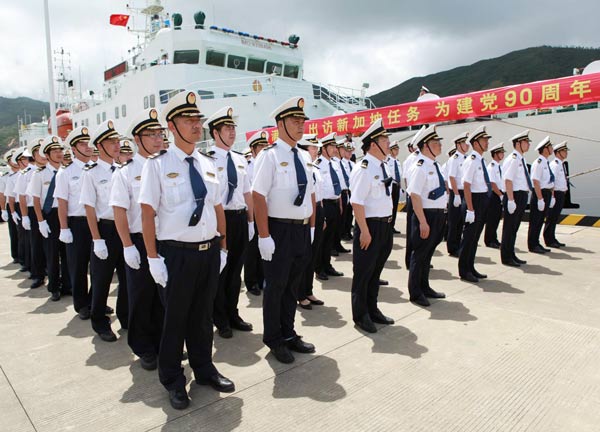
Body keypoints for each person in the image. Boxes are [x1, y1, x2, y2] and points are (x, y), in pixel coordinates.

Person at [139, 91, 234, 410]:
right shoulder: (157, 165)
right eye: (188, 120)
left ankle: (204, 369)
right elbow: (147, 213)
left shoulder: (208, 163)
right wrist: (153, 258)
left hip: (207, 253)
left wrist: (222, 246)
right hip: (175, 254)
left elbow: (218, 206)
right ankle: (173, 379)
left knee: (202, 317)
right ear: (171, 126)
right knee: (175, 320)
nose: (196, 125)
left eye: (198, 120)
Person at [252, 96, 317, 364]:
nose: (300, 125)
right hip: (278, 230)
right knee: (276, 287)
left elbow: (311, 192)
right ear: (280, 124)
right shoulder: (269, 156)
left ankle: (289, 333)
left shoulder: (303, 155)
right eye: (294, 120)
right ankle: (274, 338)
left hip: (301, 230)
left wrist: (311, 226)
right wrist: (264, 235)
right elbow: (258, 196)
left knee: (292, 286)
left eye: (302, 121)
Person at [110, 108, 166, 370]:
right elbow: (119, 211)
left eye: (160, 133)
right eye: (150, 134)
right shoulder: (125, 173)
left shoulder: (167, 166)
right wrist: (127, 246)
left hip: (166, 240)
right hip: (139, 241)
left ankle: (163, 342)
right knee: (141, 296)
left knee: (164, 297)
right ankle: (144, 347)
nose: (157, 139)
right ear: (136, 138)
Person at [203, 106, 255, 339]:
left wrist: (251, 221)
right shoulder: (207, 160)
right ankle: (220, 318)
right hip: (218, 220)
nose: (232, 132)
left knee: (236, 271)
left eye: (233, 127)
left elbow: (247, 193)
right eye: (227, 128)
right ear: (215, 133)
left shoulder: (240, 159)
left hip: (239, 218)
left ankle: (233, 313)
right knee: (220, 272)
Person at [80, 120, 129, 341]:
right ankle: (99, 322)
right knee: (102, 279)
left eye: (117, 140)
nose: (116, 145)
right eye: (111, 141)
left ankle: (127, 318)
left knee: (128, 279)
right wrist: (96, 239)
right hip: (106, 231)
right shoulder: (90, 173)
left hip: (125, 230)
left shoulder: (123, 169)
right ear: (100, 146)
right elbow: (90, 209)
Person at [350, 119, 395, 333]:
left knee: (375, 273)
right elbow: (356, 202)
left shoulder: (383, 165)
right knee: (363, 274)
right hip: (370, 227)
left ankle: (372, 309)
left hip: (385, 226)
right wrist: (365, 231)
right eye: (384, 139)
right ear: (372, 144)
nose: (388, 142)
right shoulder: (364, 168)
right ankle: (361, 315)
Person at [55, 127, 96, 319]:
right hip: (77, 224)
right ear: (73, 148)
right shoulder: (66, 173)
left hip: (96, 223)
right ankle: (81, 304)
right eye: (82, 143)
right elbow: (62, 203)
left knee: (99, 266)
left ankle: (96, 301)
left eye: (88, 142)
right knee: (78, 266)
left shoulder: (96, 168)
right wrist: (64, 228)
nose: (87, 147)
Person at [406, 125, 447, 307]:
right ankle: (415, 292)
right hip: (426, 215)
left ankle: (425, 286)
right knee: (420, 254)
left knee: (428, 255)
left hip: (438, 215)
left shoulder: (435, 165)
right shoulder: (419, 166)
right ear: (425, 146)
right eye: (435, 143)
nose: (439, 146)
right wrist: (422, 221)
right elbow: (414, 195)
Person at [27, 136, 71, 301]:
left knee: (67, 253)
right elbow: (36, 200)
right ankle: (54, 287)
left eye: (60, 150)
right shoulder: (39, 174)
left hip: (66, 214)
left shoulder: (67, 171)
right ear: (47, 154)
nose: (59, 153)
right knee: (52, 253)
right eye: (54, 151)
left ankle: (68, 285)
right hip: (50, 216)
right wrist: (40, 221)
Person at [458, 126, 492, 283]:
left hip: (481, 200)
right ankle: (464, 270)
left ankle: (471, 267)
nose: (487, 143)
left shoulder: (480, 160)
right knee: (469, 238)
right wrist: (470, 209)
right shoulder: (471, 160)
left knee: (475, 238)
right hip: (474, 201)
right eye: (484, 140)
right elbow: (466, 185)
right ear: (475, 142)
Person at [297, 134, 325, 310]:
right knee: (303, 257)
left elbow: (318, 195)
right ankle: (300, 294)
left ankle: (308, 290)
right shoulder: (303, 167)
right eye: (313, 147)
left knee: (313, 255)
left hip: (317, 211)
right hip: (306, 212)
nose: (316, 150)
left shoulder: (314, 167)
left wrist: (320, 219)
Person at [16, 140, 47, 288]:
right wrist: (25, 216)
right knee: (36, 244)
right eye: (38, 152)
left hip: (51, 211)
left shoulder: (56, 170)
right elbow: (22, 197)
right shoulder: (26, 173)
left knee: (54, 247)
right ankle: (38, 274)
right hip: (33, 211)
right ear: (34, 155)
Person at [314, 132, 344, 280]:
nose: (334, 148)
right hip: (324, 204)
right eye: (331, 146)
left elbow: (336, 186)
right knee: (322, 239)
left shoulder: (335, 163)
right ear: (323, 148)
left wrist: (339, 204)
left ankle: (327, 265)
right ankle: (319, 268)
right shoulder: (318, 164)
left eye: (334, 145)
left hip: (334, 204)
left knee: (330, 237)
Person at [500, 130, 532, 267]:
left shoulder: (520, 158)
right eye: (526, 142)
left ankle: (511, 254)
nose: (528, 145)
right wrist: (511, 200)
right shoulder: (513, 159)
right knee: (509, 228)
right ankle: (506, 257)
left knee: (514, 228)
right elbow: (508, 180)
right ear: (518, 143)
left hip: (521, 195)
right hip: (514, 195)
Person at [244, 130, 269, 296]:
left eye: (265, 146)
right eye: (260, 146)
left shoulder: (268, 163)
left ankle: (262, 279)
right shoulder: (247, 167)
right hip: (253, 213)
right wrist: (251, 220)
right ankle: (251, 282)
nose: (263, 149)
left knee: (264, 250)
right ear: (252, 149)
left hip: (267, 212)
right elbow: (249, 195)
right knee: (251, 251)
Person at [527, 136, 555, 254]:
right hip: (540, 194)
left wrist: (552, 195)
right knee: (535, 221)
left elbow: (549, 181)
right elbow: (535, 181)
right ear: (545, 149)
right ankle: (532, 245)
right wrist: (540, 199)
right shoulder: (538, 162)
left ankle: (537, 243)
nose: (552, 148)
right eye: (550, 146)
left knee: (540, 220)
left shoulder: (545, 162)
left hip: (546, 193)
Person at [403, 126, 425, 268]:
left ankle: (420, 259)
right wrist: (410, 196)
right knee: (413, 230)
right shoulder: (412, 159)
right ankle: (410, 260)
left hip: (423, 199)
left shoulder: (425, 159)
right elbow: (406, 179)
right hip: (414, 197)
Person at [445, 131, 469, 257]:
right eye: (465, 143)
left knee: (461, 221)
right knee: (454, 221)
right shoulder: (454, 159)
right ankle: (452, 247)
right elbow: (452, 177)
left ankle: (458, 244)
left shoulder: (466, 158)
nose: (467, 145)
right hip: (457, 192)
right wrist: (456, 194)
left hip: (463, 191)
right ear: (458, 144)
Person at [544, 141, 569, 248]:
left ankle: (552, 238)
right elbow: (552, 181)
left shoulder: (560, 164)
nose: (566, 153)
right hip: (556, 194)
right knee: (551, 217)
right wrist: (553, 196)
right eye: (564, 151)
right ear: (558, 152)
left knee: (555, 218)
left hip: (561, 194)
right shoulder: (555, 164)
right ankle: (549, 239)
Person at [484, 142, 505, 248]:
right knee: (492, 219)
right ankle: (489, 240)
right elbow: (492, 183)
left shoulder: (499, 166)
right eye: (501, 153)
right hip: (494, 195)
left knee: (496, 218)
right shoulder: (492, 166)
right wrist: (500, 195)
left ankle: (494, 238)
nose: (503, 154)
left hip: (499, 193)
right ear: (495, 154)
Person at [332, 137, 351, 255]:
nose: (345, 151)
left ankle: (337, 243)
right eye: (343, 149)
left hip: (345, 193)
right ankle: (332, 246)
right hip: (338, 195)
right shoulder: (333, 162)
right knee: (336, 222)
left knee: (342, 221)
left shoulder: (343, 163)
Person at [3, 149, 20, 264]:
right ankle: (16, 255)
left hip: (22, 205)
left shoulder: (25, 172)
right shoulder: (6, 177)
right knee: (14, 232)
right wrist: (3, 210)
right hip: (12, 205)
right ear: (9, 162)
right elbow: (2, 195)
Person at [340, 139, 356, 241]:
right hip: (344, 191)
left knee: (350, 213)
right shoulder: (341, 163)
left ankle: (348, 231)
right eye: (347, 151)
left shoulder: (353, 164)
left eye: (351, 151)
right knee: (344, 214)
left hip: (351, 191)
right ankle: (343, 233)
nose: (349, 153)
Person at [386, 140, 402, 235]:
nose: (397, 151)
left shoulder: (398, 161)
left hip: (397, 185)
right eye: (395, 149)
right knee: (390, 206)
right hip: (391, 185)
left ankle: (392, 225)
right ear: (391, 150)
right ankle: (388, 226)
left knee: (395, 206)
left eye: (397, 149)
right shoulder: (388, 161)